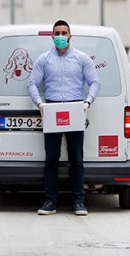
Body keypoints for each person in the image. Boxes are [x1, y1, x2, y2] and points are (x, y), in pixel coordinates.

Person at [27, 20, 100, 216]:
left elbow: (94, 82)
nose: (60, 36)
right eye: (57, 33)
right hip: (51, 109)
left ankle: (78, 202)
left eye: (64, 32)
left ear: (70, 36)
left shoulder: (82, 58)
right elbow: (32, 83)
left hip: (75, 109)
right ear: (52, 37)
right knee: (51, 158)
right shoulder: (44, 59)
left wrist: (88, 102)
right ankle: (50, 201)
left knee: (76, 158)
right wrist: (39, 103)